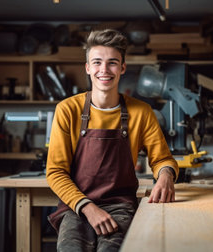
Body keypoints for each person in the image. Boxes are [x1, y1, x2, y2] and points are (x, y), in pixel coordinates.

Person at [46, 29, 178, 251]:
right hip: (75, 205)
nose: (104, 70)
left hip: (120, 205)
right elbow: (55, 172)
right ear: (88, 68)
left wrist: (166, 175)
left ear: (123, 68)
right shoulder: (68, 110)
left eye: (112, 63)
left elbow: (162, 159)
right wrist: (88, 208)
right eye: (97, 62)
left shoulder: (142, 112)